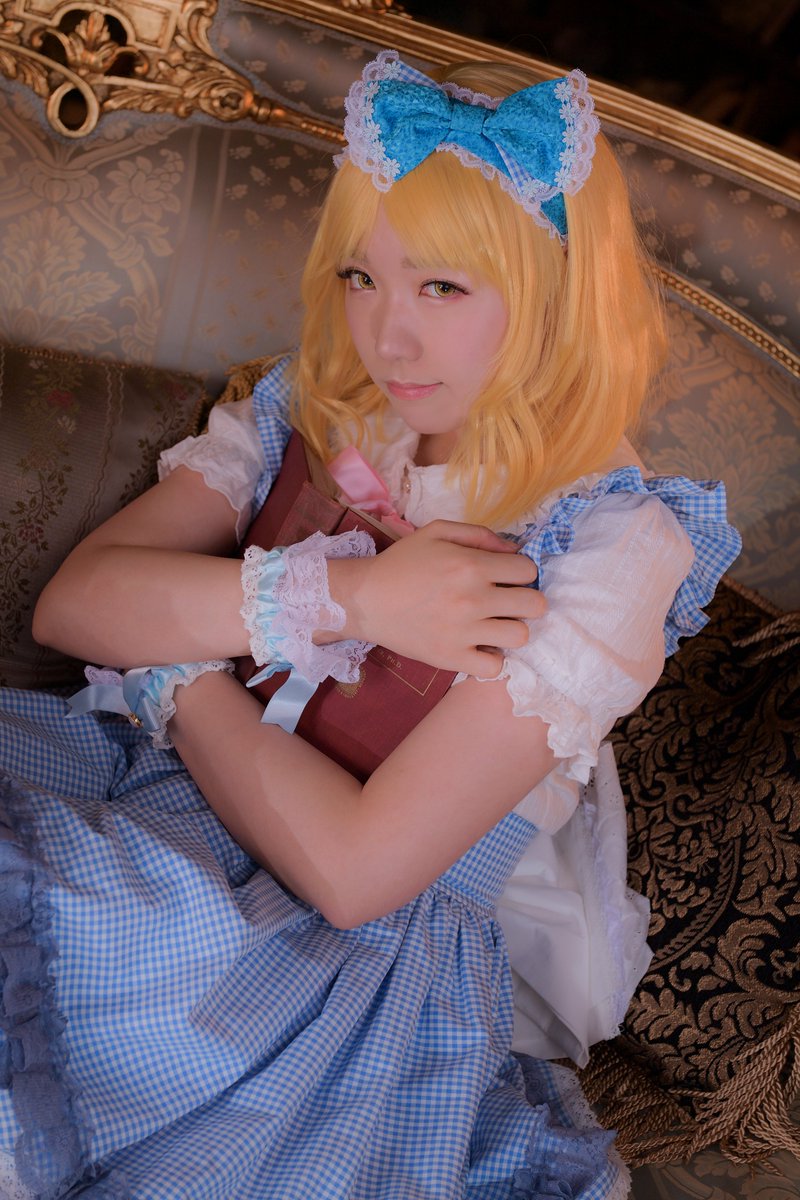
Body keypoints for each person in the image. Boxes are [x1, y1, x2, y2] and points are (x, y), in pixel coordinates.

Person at [0, 50, 741, 1200]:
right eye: (362, 276)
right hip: (138, 794)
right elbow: (77, 605)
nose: (387, 337)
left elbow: (351, 874)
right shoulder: (315, 404)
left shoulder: (609, 546)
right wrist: (351, 598)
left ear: (553, 290)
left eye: (441, 288)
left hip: (306, 952)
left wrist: (175, 673)